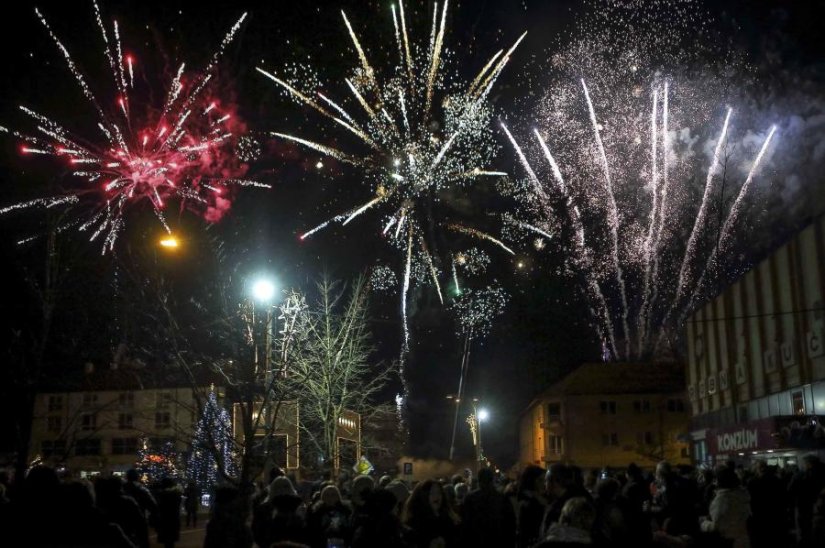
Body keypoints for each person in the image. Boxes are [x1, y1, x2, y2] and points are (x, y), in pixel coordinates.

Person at [460, 466, 516, 547]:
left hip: (476, 541)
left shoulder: (470, 498)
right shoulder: (502, 498)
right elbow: (510, 525)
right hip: (499, 541)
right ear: (492, 480)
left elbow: (465, 525)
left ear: (478, 481)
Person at [700, 466, 751, 548]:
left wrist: (704, 524)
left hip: (728, 540)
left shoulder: (723, 499)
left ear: (720, 481)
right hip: (742, 537)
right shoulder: (741, 494)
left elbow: (717, 525)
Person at [402, 479, 459, 547]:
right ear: (423, 496)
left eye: (439, 492)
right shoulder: (414, 521)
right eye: (431, 493)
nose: (436, 496)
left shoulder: (449, 517)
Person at [155, 477, 183, 548]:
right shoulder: (176, 495)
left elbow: (158, 507)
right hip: (174, 520)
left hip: (164, 520)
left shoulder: (161, 495)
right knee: (170, 542)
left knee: (167, 542)